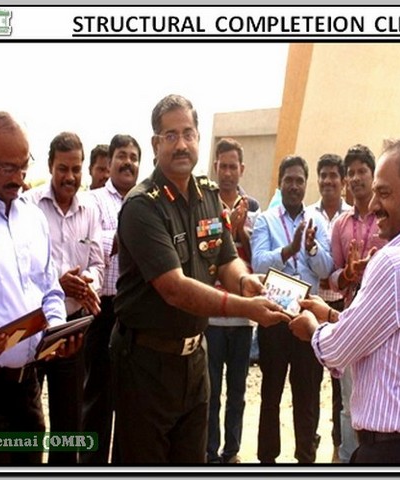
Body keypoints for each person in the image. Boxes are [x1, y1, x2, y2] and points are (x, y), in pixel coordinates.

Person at [110, 93, 288, 464]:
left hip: (194, 360)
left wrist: (245, 283)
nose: (181, 144)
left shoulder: (208, 195)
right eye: (171, 135)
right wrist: (246, 308)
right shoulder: (142, 205)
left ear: (198, 138)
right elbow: (174, 289)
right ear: (156, 144)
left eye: (188, 134)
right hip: (146, 363)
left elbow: (226, 258)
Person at [288, 137, 400, 464]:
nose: (374, 204)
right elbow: (389, 333)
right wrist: (331, 315)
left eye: (384, 193)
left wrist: (312, 328)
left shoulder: (393, 263)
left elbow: (337, 350)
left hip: (392, 452)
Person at [0, 111, 73, 465]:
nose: (18, 178)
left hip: (27, 387)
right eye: (8, 168)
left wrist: (58, 330)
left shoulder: (32, 217)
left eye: (24, 165)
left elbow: (49, 289)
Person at [24, 131, 105, 464]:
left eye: (76, 169)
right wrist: (57, 285)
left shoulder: (90, 209)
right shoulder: (29, 206)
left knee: (69, 418)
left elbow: (98, 263)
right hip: (33, 325)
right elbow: (22, 266)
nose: (70, 177)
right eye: (62, 169)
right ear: (50, 166)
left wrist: (86, 284)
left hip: (71, 330)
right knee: (28, 417)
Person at [251, 155, 334, 464]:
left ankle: (306, 458)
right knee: (271, 393)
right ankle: (267, 459)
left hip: (307, 318)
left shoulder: (317, 222)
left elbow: (325, 268)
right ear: (280, 183)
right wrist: (288, 250)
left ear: (306, 184)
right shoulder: (266, 220)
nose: (295, 186)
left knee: (306, 394)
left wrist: (310, 247)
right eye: (289, 180)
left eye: (300, 180)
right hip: (274, 317)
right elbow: (258, 263)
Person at [80, 134, 141, 464]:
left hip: (136, 312)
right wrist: (128, 233)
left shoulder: (145, 202)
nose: (128, 162)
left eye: (133, 157)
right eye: (122, 156)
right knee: (98, 397)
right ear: (111, 161)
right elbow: (91, 243)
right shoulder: (92, 201)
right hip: (103, 311)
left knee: (131, 400)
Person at [327, 144, 387, 463]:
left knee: (383, 398)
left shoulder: (387, 218)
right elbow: (332, 277)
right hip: (351, 320)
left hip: (384, 322)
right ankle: (349, 459)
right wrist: (348, 274)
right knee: (349, 403)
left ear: (373, 175)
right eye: (350, 173)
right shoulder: (340, 225)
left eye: (362, 171)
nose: (355, 178)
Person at [206, 138, 261, 464]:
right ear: (216, 167)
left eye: (233, 167)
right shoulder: (204, 203)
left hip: (243, 315)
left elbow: (257, 257)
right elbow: (204, 252)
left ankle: (232, 451)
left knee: (237, 390)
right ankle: (210, 452)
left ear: (242, 169)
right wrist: (226, 232)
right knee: (211, 391)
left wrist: (240, 232)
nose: (227, 172)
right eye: (222, 166)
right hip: (212, 312)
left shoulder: (253, 208)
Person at [305, 152, 349, 463]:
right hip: (314, 307)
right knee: (308, 385)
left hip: (343, 309)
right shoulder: (308, 216)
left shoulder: (352, 217)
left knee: (340, 389)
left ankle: (338, 448)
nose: (328, 181)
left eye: (333, 175)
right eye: (323, 175)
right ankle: (309, 446)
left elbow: (338, 267)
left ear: (343, 181)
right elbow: (315, 266)